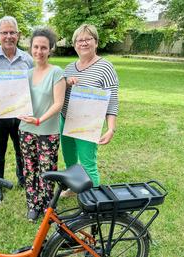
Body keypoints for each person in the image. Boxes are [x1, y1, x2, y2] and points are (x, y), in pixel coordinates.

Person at [60, 24, 119, 196]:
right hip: (66, 119)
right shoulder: (70, 67)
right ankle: (74, 186)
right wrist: (65, 82)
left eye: (88, 39)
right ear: (74, 44)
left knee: (87, 162)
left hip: (88, 122)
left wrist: (111, 128)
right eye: (80, 40)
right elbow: (58, 93)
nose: (83, 43)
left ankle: (93, 199)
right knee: (69, 157)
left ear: (96, 42)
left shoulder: (105, 67)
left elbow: (112, 100)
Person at [18, 28, 66, 221]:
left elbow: (58, 103)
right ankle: (32, 204)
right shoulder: (26, 74)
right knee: (29, 168)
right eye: (36, 47)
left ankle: (47, 205)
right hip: (26, 130)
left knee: (47, 170)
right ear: (31, 48)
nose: (39, 51)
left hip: (48, 131)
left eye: (43, 47)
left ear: (50, 49)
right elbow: (16, 99)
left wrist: (39, 120)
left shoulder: (56, 72)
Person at [0, 16, 33, 201]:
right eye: (4, 32)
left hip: (21, 114)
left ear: (18, 35)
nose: (8, 36)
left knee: (22, 150)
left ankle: (23, 179)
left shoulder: (27, 59)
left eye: (12, 32)